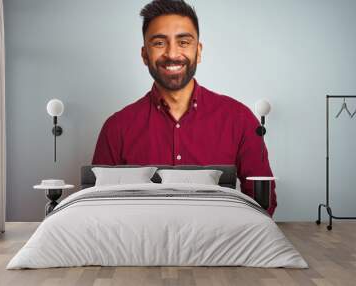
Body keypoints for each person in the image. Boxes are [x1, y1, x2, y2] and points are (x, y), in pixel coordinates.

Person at [92, 0, 277, 216]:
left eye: (184, 42)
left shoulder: (240, 119)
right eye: (159, 43)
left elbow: (263, 203)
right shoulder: (116, 128)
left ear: (198, 51)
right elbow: (98, 206)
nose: (172, 54)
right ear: (144, 55)